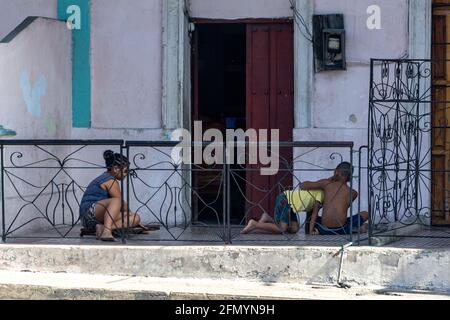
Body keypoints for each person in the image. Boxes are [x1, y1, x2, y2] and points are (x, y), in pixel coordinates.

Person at [79, 150, 142, 241]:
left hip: (98, 218)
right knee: (117, 201)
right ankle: (107, 232)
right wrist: (129, 213)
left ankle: (104, 228)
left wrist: (132, 217)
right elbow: (121, 204)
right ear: (116, 169)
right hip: (88, 213)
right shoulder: (109, 180)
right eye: (125, 171)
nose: (126, 174)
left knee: (136, 218)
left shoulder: (111, 179)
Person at [303, 162, 369, 235]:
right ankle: (355, 229)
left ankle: (309, 229)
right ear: (350, 177)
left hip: (323, 229)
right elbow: (344, 208)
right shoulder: (353, 193)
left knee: (311, 209)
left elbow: (303, 185)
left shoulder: (326, 183)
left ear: (336, 172)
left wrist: (327, 181)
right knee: (365, 214)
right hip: (342, 229)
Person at [240, 188, 325, 235]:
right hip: (286, 200)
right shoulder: (321, 194)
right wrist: (311, 232)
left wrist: (308, 230)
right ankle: (254, 224)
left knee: (294, 229)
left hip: (292, 207)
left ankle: (267, 218)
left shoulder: (320, 195)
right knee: (281, 229)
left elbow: (309, 215)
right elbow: (314, 215)